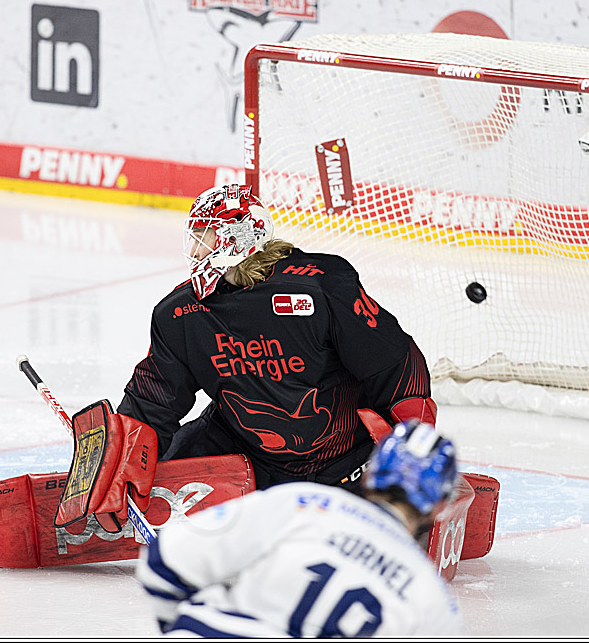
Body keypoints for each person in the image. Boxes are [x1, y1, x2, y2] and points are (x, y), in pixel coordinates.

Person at [115, 182, 438, 493]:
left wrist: (412, 444)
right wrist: (125, 455)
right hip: (246, 452)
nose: (194, 250)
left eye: (204, 237)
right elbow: (154, 398)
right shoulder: (180, 313)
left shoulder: (321, 287)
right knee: (174, 457)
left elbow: (392, 362)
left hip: (342, 460)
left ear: (234, 240)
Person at [135, 420, 464, 637]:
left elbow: (163, 560)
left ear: (370, 473)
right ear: (439, 505)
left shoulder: (302, 503)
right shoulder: (432, 598)